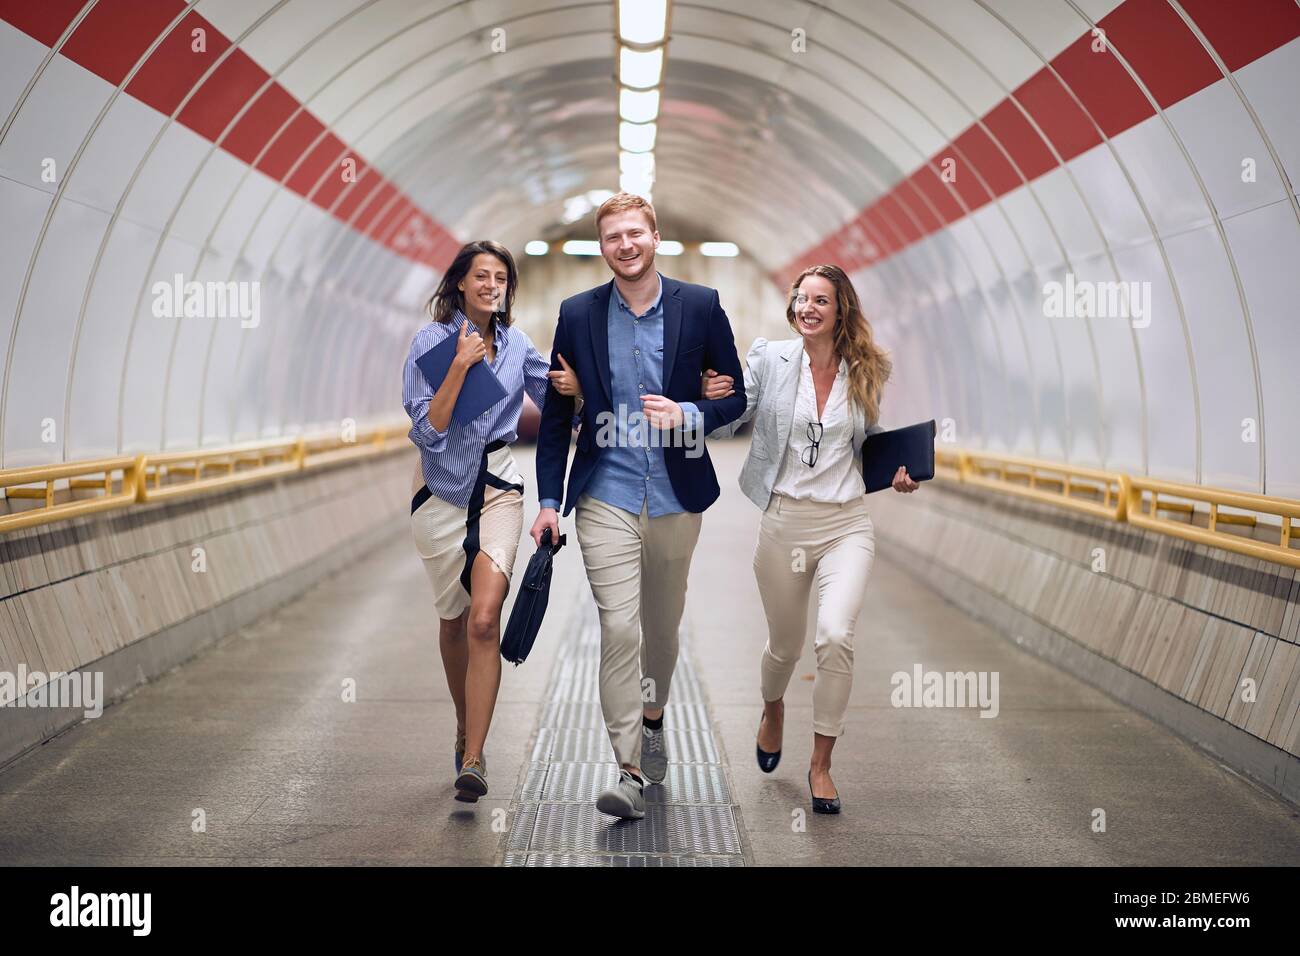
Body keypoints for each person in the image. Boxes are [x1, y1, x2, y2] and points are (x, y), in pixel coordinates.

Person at [531, 193, 747, 819]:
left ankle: (653, 720)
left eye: (635, 233)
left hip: (678, 493)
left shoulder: (701, 308)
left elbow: (733, 401)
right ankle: (626, 768)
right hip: (607, 491)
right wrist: (549, 499)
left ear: (655, 235)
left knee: (661, 628)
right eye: (612, 238)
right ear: (603, 247)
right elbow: (556, 417)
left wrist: (693, 413)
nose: (625, 245)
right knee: (619, 628)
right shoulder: (577, 314)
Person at [703, 263, 919, 814]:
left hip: (846, 523)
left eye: (820, 300)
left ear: (840, 309)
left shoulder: (867, 368)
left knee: (835, 635)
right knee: (784, 646)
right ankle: (773, 707)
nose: (807, 308)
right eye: (801, 298)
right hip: (784, 521)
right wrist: (706, 402)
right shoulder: (770, 360)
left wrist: (897, 473)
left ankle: (821, 765)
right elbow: (731, 418)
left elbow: (869, 443)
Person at [402, 240, 579, 803]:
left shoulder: (517, 343)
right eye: (481, 276)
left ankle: (474, 757)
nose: (491, 285)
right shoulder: (430, 342)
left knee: (483, 620)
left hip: (499, 487)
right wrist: (458, 366)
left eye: (501, 277)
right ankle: (463, 723)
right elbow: (427, 432)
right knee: (453, 620)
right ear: (461, 283)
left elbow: (550, 404)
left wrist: (572, 392)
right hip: (438, 493)